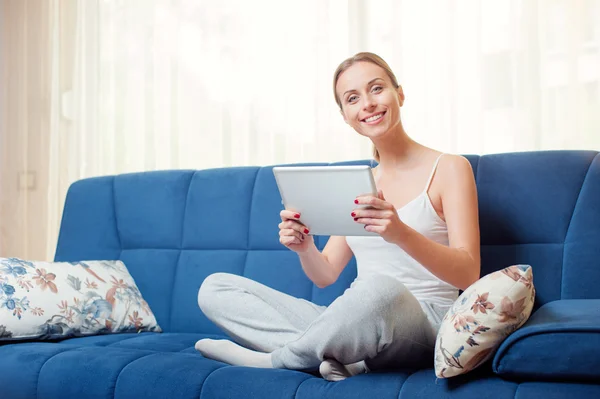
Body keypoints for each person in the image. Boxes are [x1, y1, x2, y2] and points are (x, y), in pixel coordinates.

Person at [195, 52, 480, 381]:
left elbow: (468, 273)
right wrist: (305, 249)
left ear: (399, 93)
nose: (368, 104)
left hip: (424, 322)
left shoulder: (449, 168)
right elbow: (326, 274)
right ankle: (346, 355)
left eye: (376, 89)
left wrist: (400, 232)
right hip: (352, 316)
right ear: (346, 115)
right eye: (353, 98)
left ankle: (279, 360)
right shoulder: (361, 182)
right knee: (214, 288)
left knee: (380, 290)